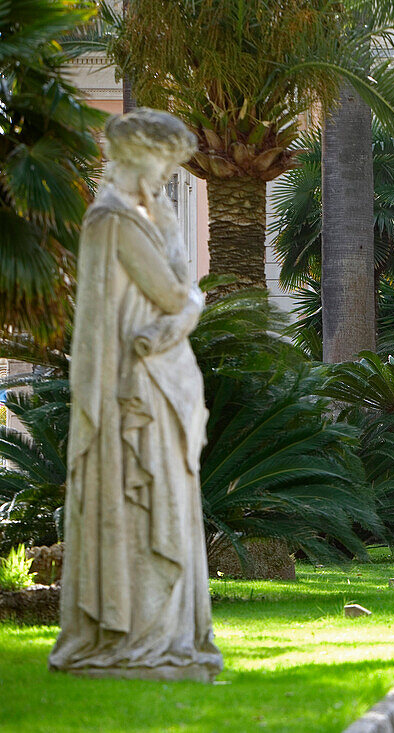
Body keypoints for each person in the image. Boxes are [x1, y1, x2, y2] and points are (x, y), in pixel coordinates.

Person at [50, 109, 222, 681]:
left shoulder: (129, 218)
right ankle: (142, 635)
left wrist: (186, 303)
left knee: (166, 500)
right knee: (151, 504)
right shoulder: (116, 222)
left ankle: (166, 633)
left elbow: (177, 300)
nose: (166, 180)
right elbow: (175, 296)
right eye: (165, 166)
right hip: (136, 388)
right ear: (139, 158)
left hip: (157, 380)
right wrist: (190, 300)